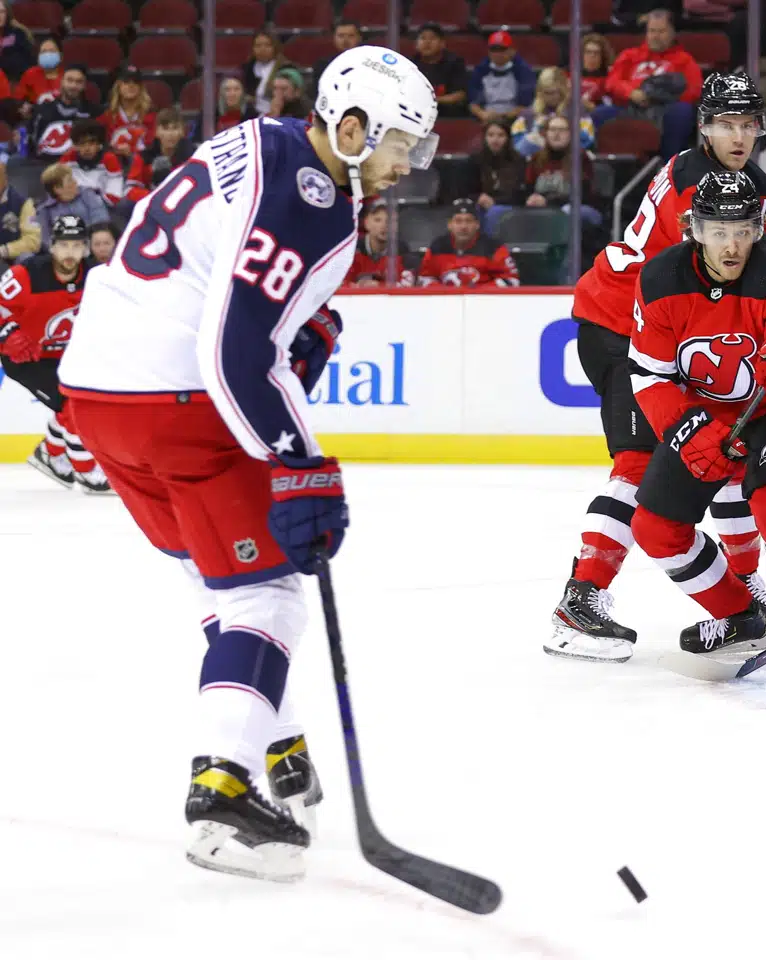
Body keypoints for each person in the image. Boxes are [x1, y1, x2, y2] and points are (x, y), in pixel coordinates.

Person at [56, 46, 439, 883]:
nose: (408, 160)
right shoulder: (314, 198)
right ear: (352, 125)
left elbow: (234, 310)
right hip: (171, 396)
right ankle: (221, 792)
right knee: (268, 594)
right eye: (400, 141)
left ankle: (275, 741)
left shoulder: (263, 136)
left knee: (218, 584)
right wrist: (300, 462)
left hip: (98, 391)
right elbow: (232, 351)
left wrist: (288, 348)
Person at [548, 71, 766, 662]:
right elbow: (708, 256)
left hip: (681, 332)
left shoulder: (755, 184)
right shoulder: (694, 180)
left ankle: (742, 592)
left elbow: (763, 276)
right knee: (644, 463)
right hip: (625, 326)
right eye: (725, 123)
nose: (738, 136)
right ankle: (580, 601)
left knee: (729, 442)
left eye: (748, 124)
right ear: (703, 127)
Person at [628, 170, 766, 654]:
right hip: (706, 414)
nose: (731, 245)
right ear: (694, 229)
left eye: (743, 231)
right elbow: (650, 376)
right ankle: (738, 612)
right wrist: (688, 432)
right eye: (719, 231)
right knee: (654, 528)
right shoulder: (660, 279)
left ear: (758, 230)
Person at [0, 214, 108, 492]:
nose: (69, 253)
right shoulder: (26, 275)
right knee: (75, 405)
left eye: (76, 246)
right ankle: (85, 471)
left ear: (85, 247)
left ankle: (51, 453)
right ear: (52, 246)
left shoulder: (97, 276)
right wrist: (8, 335)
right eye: (63, 245)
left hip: (70, 358)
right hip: (27, 359)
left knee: (83, 401)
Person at [602, 9, 703, 159]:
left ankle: (669, 167)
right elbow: (611, 82)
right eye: (652, 31)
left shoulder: (684, 60)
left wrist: (658, 97)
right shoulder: (630, 56)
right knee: (600, 114)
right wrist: (630, 93)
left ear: (672, 33)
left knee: (682, 111)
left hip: (665, 111)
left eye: (661, 31)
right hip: (632, 109)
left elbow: (695, 90)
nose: (655, 36)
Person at [418, 198, 519, 287]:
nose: (463, 226)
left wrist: (479, 293)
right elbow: (424, 279)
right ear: (449, 225)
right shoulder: (437, 247)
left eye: (469, 221)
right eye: (458, 221)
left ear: (477, 224)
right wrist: (445, 293)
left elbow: (512, 280)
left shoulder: (494, 248)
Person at [522, 116, 601, 229]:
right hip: (545, 208)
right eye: (552, 130)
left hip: (580, 209)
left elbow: (584, 195)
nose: (556, 134)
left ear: (571, 134)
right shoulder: (537, 158)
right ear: (546, 133)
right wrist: (531, 199)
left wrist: (548, 201)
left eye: (562, 130)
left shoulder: (580, 157)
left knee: (565, 211)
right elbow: (527, 188)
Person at [511, 67, 595, 159]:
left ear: (563, 91)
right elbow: (517, 147)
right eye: (546, 93)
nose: (550, 97)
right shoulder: (528, 114)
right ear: (539, 92)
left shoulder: (578, 111)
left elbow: (588, 139)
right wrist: (536, 132)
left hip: (569, 159)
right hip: (535, 160)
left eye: (554, 92)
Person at [469, 120, 527, 236]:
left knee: (494, 212)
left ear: (508, 138)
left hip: (508, 205)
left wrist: (495, 201)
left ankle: (490, 248)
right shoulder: (474, 160)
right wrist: (479, 197)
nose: (495, 140)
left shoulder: (518, 160)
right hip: (481, 204)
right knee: (470, 212)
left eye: (500, 135)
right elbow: (466, 190)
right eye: (491, 135)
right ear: (484, 138)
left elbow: (519, 193)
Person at [468, 30, 536, 127]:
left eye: (502, 49)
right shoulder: (480, 71)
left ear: (512, 50)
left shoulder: (523, 71)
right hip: (486, 118)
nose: (497, 53)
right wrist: (483, 114)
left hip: (514, 119)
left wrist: (505, 116)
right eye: (493, 49)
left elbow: (527, 104)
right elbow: (472, 103)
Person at [125, 107, 195, 201]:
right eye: (165, 129)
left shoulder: (193, 157)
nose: (170, 134)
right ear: (156, 132)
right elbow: (130, 190)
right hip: (151, 205)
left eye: (175, 128)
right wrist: (155, 197)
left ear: (182, 132)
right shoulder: (144, 157)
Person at [30, 64, 100, 158]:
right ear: (62, 82)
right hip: (43, 164)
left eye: (78, 82)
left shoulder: (93, 112)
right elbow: (32, 140)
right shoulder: (43, 109)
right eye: (69, 80)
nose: (73, 85)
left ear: (84, 85)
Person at [345, 198, 413, 286]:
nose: (384, 225)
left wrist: (378, 286)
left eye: (389, 220)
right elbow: (337, 284)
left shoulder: (402, 250)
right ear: (366, 223)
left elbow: (407, 286)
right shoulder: (352, 249)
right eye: (377, 220)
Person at [35, 163, 108, 243]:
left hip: (94, 245)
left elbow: (101, 221)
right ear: (57, 189)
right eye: (70, 180)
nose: (75, 182)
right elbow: (45, 239)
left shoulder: (87, 194)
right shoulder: (45, 209)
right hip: (63, 251)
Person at [60, 119, 124, 206]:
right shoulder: (68, 158)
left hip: (103, 205)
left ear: (99, 144)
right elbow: (58, 184)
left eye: (91, 143)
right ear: (75, 145)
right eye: (82, 144)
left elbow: (115, 192)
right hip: (72, 203)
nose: (87, 148)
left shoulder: (109, 159)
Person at [414, 22, 470, 119]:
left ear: (442, 43)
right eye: (423, 38)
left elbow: (460, 95)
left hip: (448, 116)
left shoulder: (454, 63)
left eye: (432, 38)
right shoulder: (411, 65)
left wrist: (433, 100)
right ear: (416, 44)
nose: (427, 42)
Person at [100, 66, 156, 161]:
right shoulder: (106, 116)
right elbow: (98, 145)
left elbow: (153, 147)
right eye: (126, 82)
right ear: (118, 85)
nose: (131, 85)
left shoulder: (151, 115)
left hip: (143, 164)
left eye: (135, 82)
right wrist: (114, 150)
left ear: (140, 87)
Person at [0, 157, 40, 264]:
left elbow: (33, 241)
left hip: (10, 258)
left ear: (5, 178)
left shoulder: (23, 203)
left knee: (26, 257)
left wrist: (4, 250)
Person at [241, 29, 288, 116]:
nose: (262, 49)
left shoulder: (285, 68)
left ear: (275, 47)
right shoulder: (247, 68)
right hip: (252, 115)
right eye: (258, 46)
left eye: (267, 45)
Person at [15, 36, 61, 120]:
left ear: (60, 55)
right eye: (43, 52)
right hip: (34, 119)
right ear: (38, 56)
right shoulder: (30, 74)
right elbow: (19, 101)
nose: (47, 54)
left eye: (52, 51)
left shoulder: (67, 76)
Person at [312, 19, 362, 92]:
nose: (345, 40)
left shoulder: (368, 62)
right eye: (341, 36)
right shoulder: (323, 64)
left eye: (351, 36)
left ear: (359, 38)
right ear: (334, 38)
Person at [0, 0, 35, 85]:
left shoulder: (18, 33)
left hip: (14, 81)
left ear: (8, 14)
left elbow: (20, 63)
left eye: (2, 12)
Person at [578, 33, 613, 114]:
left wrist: (591, 107)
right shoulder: (569, 75)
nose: (592, 56)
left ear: (603, 56)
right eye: (588, 52)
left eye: (596, 53)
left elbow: (610, 108)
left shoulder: (609, 77)